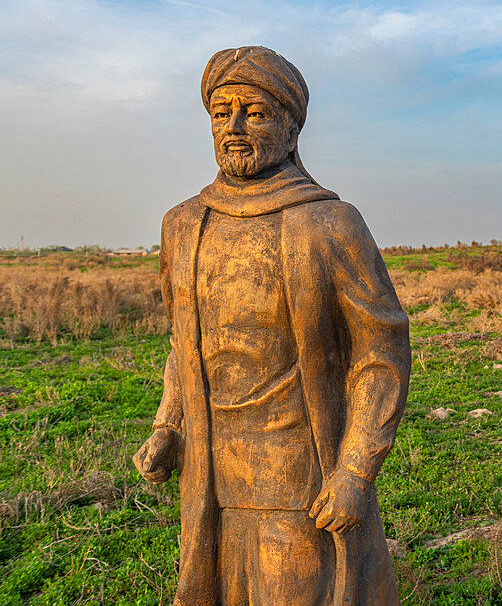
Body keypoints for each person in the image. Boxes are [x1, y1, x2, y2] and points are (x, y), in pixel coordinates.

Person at [133, 46, 410, 605]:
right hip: (209, 475)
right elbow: (184, 343)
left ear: (290, 127)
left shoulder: (329, 223)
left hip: (299, 476)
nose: (232, 127)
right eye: (220, 113)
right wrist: (169, 426)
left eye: (253, 113)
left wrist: (356, 468)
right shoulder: (184, 225)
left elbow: (380, 351)